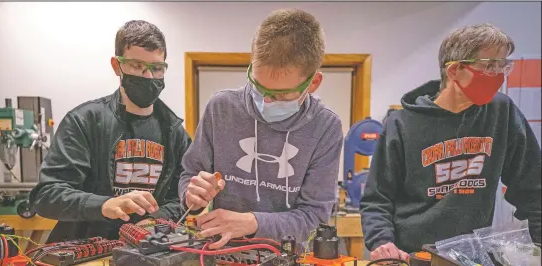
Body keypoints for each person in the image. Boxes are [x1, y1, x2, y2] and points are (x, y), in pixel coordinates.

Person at [360, 23, 542, 261]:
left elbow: (532, 188)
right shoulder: (401, 123)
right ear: (455, 70)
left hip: (473, 261)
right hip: (413, 259)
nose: (498, 75)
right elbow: (377, 199)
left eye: (503, 65)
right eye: (489, 66)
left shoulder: (502, 112)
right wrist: (382, 241)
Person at [179, 9, 343, 249]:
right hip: (220, 254)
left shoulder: (326, 127)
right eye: (257, 86)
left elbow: (314, 219)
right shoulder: (221, 108)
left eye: (281, 94)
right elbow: (189, 175)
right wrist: (191, 193)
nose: (265, 101)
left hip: (288, 264)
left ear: (313, 83)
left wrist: (252, 223)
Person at [30, 20, 191, 242]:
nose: (148, 76)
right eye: (137, 66)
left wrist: (157, 218)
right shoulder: (84, 121)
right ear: (117, 66)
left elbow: (181, 198)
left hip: (145, 251)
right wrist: (104, 205)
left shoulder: (175, 132)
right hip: (83, 250)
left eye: (156, 68)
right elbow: (47, 196)